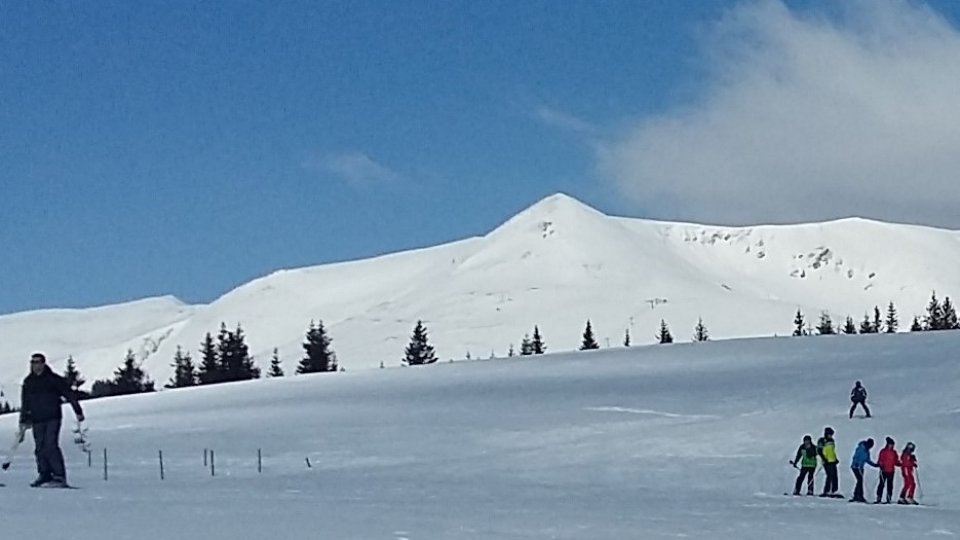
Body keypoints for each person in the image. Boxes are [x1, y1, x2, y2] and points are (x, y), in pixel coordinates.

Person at [19, 353, 85, 487]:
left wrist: (78, 411)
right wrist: (23, 420)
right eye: (33, 363)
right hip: (37, 419)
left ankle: (59, 476)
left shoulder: (53, 379)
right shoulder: (28, 382)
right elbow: (25, 402)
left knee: (50, 445)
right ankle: (44, 474)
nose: (35, 365)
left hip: (52, 417)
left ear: (43, 364)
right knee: (39, 448)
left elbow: (69, 394)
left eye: (38, 362)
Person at [849, 438, 878, 503]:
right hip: (855, 467)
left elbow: (867, 460)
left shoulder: (867, 451)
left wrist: (874, 465)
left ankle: (859, 495)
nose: (870, 447)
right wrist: (856, 464)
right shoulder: (860, 448)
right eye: (870, 445)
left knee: (860, 481)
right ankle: (857, 495)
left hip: (861, 468)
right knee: (859, 480)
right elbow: (855, 457)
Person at [817, 426, 841, 498]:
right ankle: (826, 490)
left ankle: (834, 490)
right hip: (826, 461)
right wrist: (824, 459)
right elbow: (819, 451)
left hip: (832, 460)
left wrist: (835, 458)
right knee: (829, 475)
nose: (831, 436)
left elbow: (832, 450)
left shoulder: (832, 441)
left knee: (835, 476)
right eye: (829, 434)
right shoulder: (822, 441)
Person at [875, 436, 899, 504]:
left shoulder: (894, 452)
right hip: (884, 470)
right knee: (881, 484)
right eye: (890, 444)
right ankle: (879, 497)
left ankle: (889, 498)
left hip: (891, 471)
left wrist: (900, 464)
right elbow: (880, 459)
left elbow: (896, 461)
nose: (891, 446)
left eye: (892, 445)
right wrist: (880, 465)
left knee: (890, 485)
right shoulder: (883, 451)